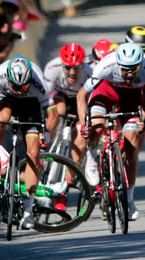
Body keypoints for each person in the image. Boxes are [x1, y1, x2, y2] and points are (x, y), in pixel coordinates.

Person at [0, 54, 58, 229]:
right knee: (1, 118)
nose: (19, 90)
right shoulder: (0, 76)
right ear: (9, 79)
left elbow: (53, 113)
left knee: (33, 153)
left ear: (29, 81)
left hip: (31, 104)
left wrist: (47, 132)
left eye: (23, 86)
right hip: (5, 99)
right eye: (16, 86)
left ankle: (28, 208)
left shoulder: (36, 82)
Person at [76, 42, 145, 221]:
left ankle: (129, 199)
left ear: (140, 65)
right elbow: (81, 95)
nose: (129, 74)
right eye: (125, 70)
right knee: (96, 125)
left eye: (133, 70)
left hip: (131, 99)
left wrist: (142, 117)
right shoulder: (105, 66)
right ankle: (91, 154)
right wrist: (84, 124)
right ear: (118, 64)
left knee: (131, 144)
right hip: (105, 93)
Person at [43, 42, 93, 190]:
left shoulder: (90, 73)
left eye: (76, 68)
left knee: (79, 142)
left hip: (81, 101)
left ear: (83, 66)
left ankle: (66, 185)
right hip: (60, 98)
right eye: (68, 68)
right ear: (62, 65)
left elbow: (90, 104)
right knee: (59, 111)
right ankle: (47, 143)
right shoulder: (52, 69)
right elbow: (45, 99)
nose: (72, 72)